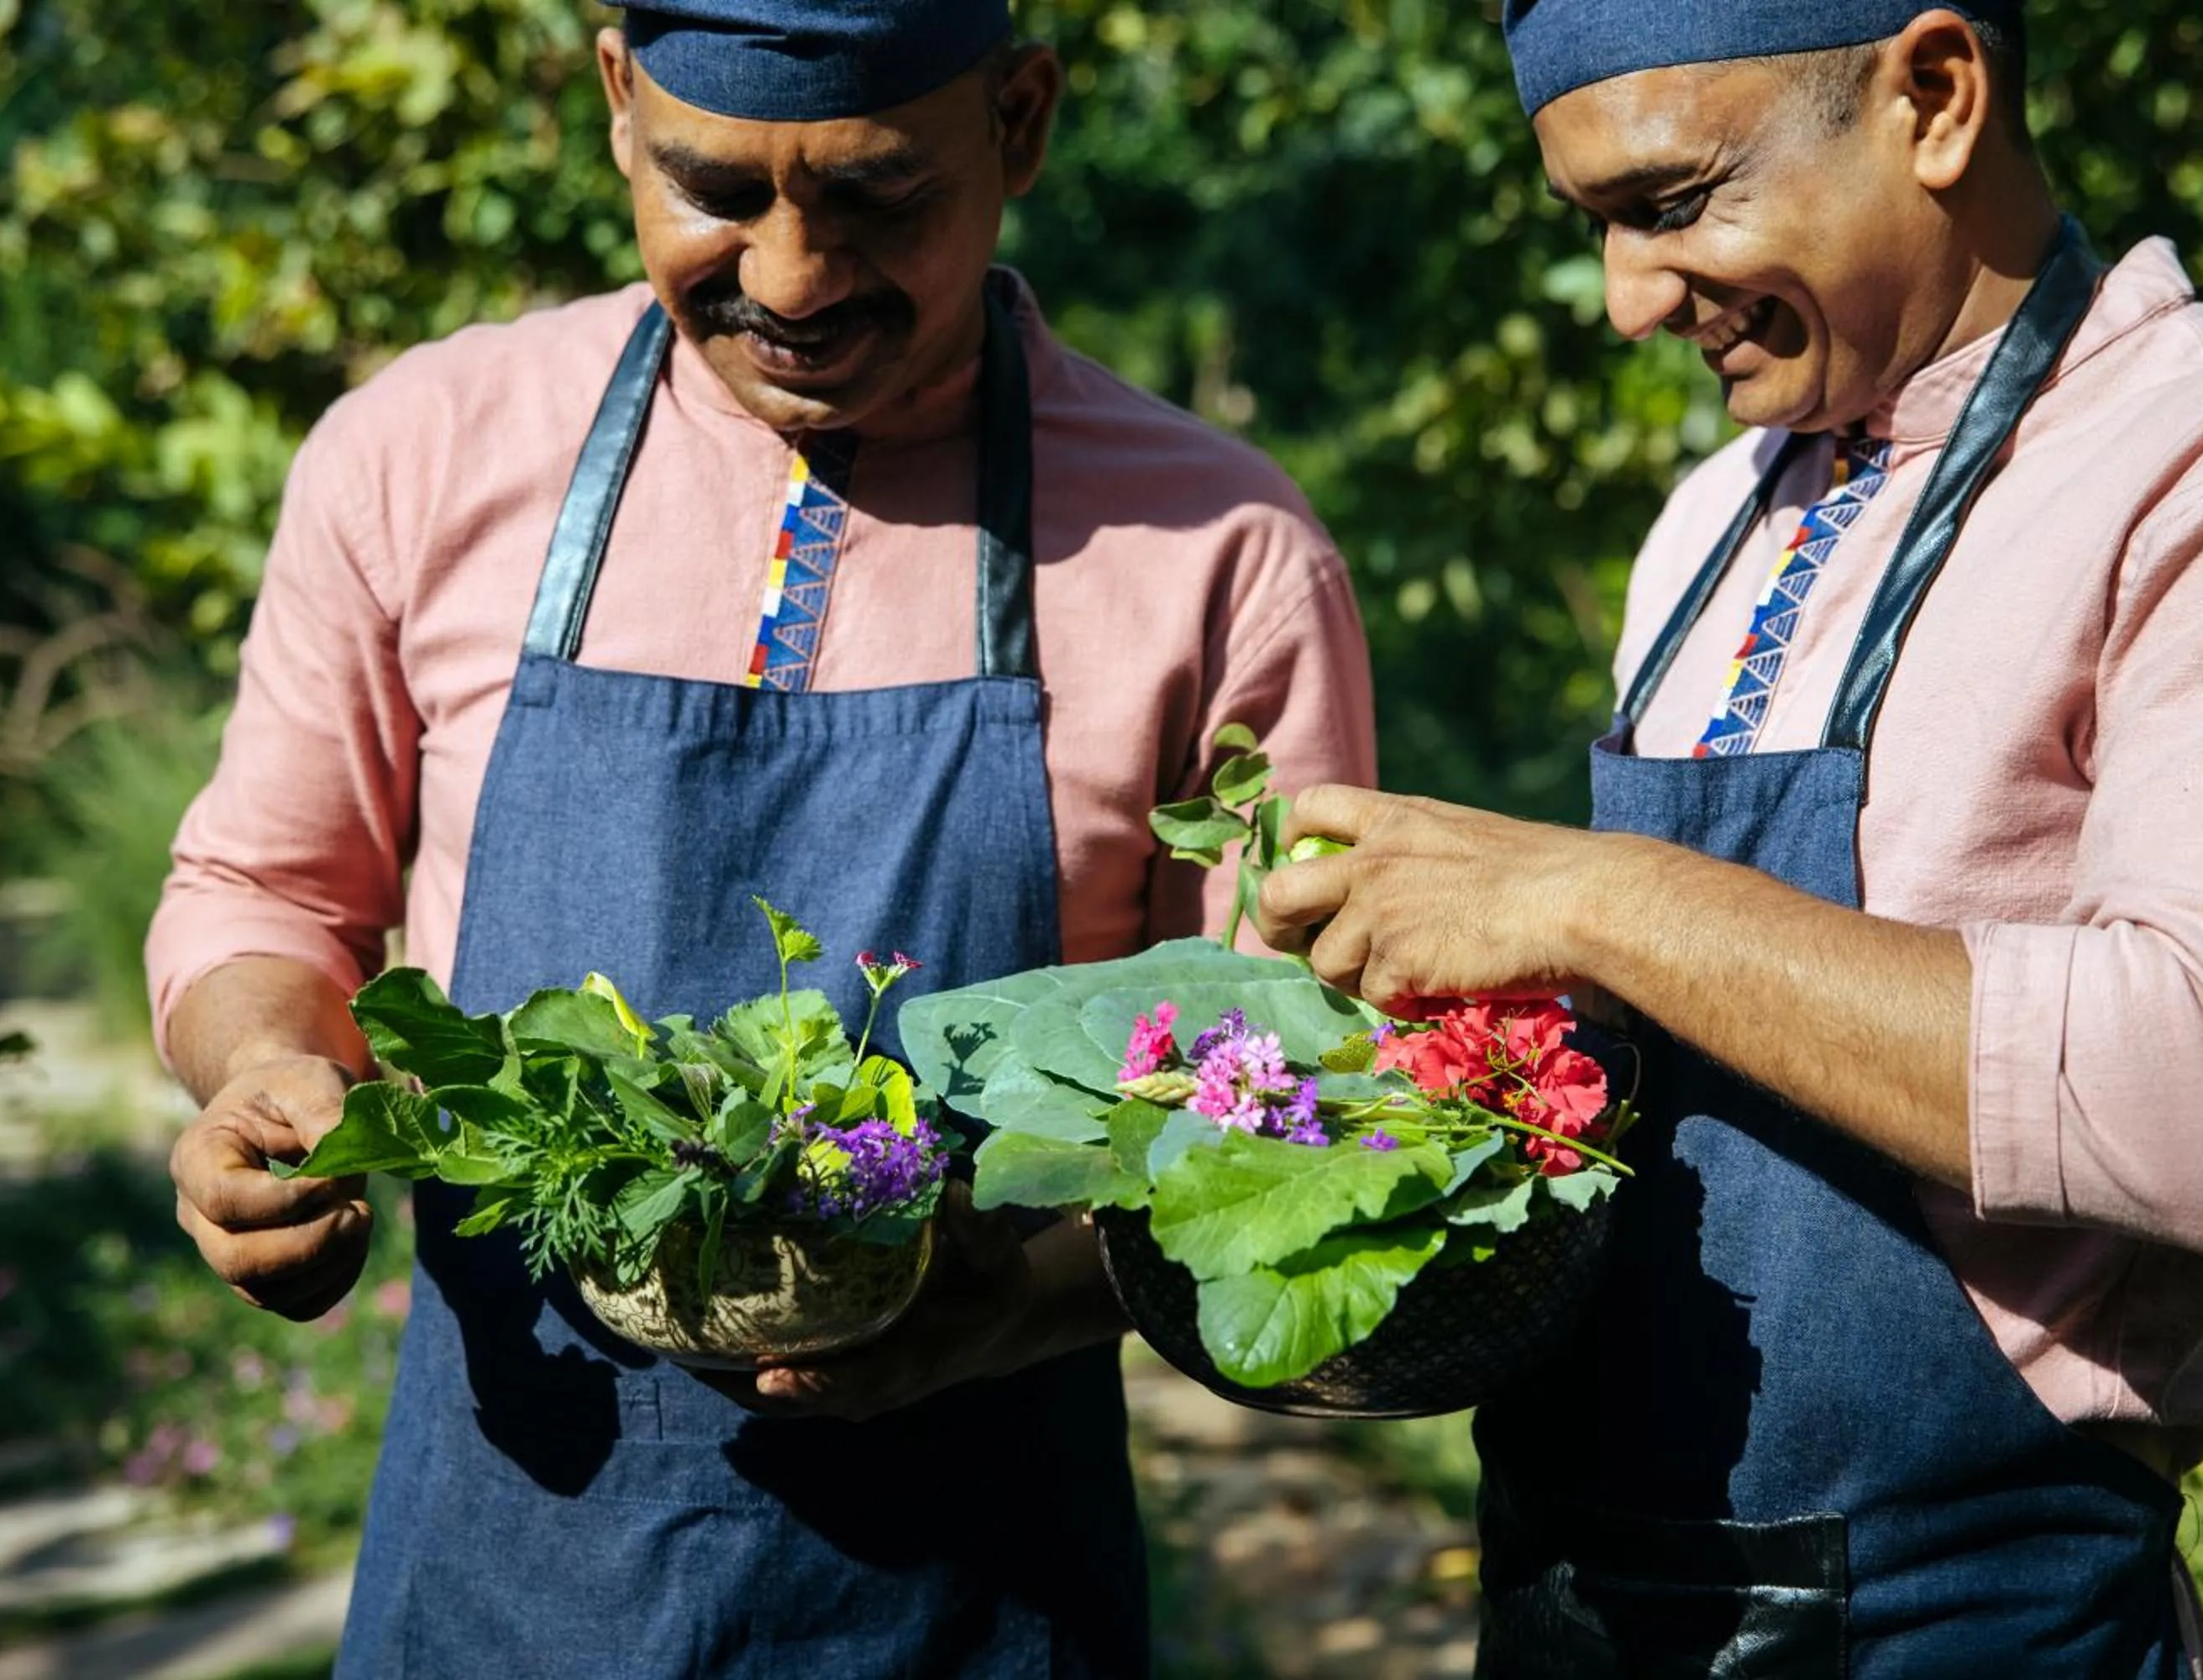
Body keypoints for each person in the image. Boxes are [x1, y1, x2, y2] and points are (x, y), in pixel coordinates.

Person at [147, 2, 1374, 1672]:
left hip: (979, 1608)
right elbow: (266, 893)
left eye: (878, 196)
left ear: (1020, 124)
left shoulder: (1215, 554)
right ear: (613, 104)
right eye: (714, 187)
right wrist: (265, 1076)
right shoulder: (418, 459)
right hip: (506, 1590)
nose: (792, 278)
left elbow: (1287, 1103)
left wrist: (1024, 1295)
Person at [1254, 3, 2203, 1673]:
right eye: (1594, 228)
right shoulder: (1718, 517)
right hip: (1576, 1598)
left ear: (1937, 95)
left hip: (1963, 1620)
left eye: (1673, 205)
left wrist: (1590, 895)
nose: (1624, 303)